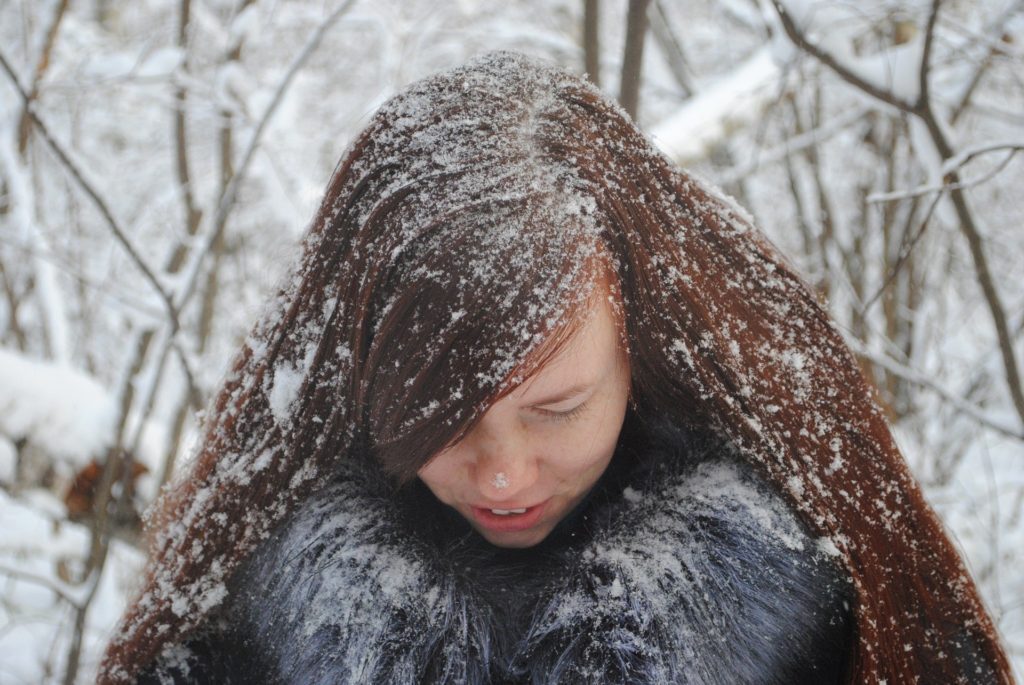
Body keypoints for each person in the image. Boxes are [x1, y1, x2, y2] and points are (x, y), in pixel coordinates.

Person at [99, 52, 1013, 684]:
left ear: (643, 356)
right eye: (442, 422)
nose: (502, 475)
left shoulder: (847, 604)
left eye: (559, 406)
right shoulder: (237, 629)